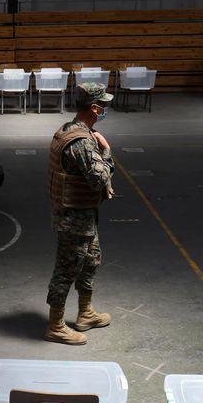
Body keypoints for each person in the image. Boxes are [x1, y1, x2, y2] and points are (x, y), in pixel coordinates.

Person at [44, 81, 116, 345]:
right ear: (95, 108)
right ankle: (55, 326)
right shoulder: (82, 142)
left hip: (83, 214)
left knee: (91, 260)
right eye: (104, 105)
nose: (106, 109)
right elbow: (99, 178)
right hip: (74, 219)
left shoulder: (70, 128)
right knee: (66, 269)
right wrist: (106, 151)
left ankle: (85, 313)